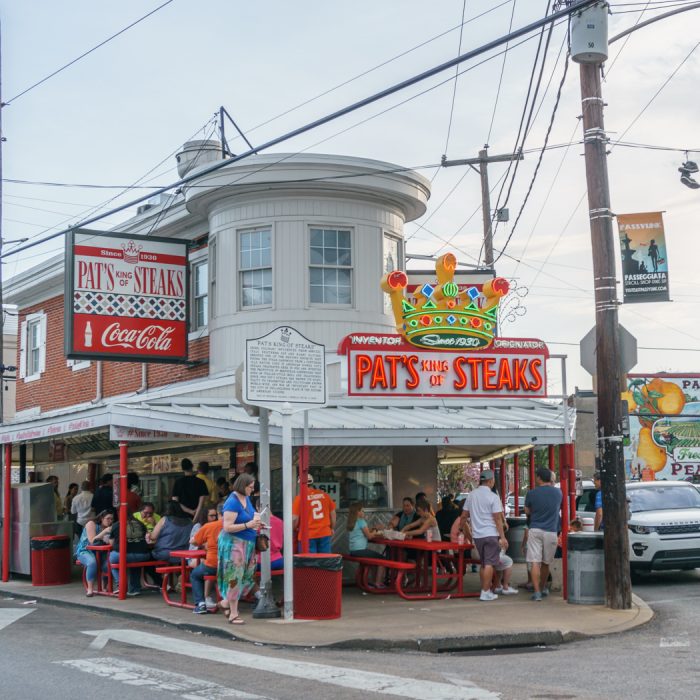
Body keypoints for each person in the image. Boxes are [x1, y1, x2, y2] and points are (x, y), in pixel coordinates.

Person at [458, 469, 508, 601]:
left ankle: (484, 589)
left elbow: (464, 516)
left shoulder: (471, 495)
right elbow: (497, 519)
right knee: (489, 564)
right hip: (491, 534)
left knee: (484, 563)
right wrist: (502, 537)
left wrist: (460, 528)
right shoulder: (493, 497)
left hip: (478, 535)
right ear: (491, 481)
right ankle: (485, 592)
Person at [218, 473, 261, 625]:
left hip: (247, 543)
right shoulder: (232, 501)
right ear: (243, 486)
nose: (252, 489)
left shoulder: (246, 498)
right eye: (250, 487)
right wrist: (248, 525)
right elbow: (227, 527)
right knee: (234, 577)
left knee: (247, 577)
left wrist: (255, 524)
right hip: (234, 544)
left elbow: (247, 519)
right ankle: (233, 614)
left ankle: (225, 602)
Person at [524, 467, 563, 601]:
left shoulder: (531, 493)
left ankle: (537, 593)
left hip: (535, 530)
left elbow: (527, 511)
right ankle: (543, 587)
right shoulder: (558, 493)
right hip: (551, 531)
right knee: (546, 563)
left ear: (539, 478)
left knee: (535, 562)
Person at [109, 511, 151, 596]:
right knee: (135, 563)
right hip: (143, 555)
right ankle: (135, 588)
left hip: (123, 555)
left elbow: (111, 543)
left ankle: (121, 585)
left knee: (111, 559)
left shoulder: (116, 525)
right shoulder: (140, 524)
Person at [292, 473, 336, 553]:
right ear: (312, 483)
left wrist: (295, 528)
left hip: (307, 535)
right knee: (324, 561)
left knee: (308, 562)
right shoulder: (324, 495)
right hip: (324, 533)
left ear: (300, 484)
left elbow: (295, 519)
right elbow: (333, 514)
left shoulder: (299, 498)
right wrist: (332, 528)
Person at [190, 505, 223, 614]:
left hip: (213, 564)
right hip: (234, 564)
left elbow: (194, 541)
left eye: (215, 515)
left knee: (195, 575)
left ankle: (201, 603)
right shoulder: (238, 526)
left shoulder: (210, 526)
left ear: (219, 514)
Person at [347, 502, 387, 588]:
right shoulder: (361, 521)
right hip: (360, 551)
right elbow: (369, 536)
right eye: (362, 510)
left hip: (353, 551)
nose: (363, 512)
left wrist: (373, 529)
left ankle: (373, 582)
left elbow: (365, 531)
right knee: (383, 560)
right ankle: (378, 583)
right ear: (357, 512)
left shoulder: (352, 521)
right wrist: (376, 530)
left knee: (374, 561)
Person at [74, 509, 114, 597]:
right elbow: (92, 540)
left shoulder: (109, 528)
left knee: (108, 563)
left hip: (101, 551)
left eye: (112, 519)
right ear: (101, 518)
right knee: (92, 563)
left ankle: (104, 586)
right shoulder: (91, 524)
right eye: (108, 519)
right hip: (85, 550)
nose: (110, 521)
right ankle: (90, 589)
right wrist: (105, 532)